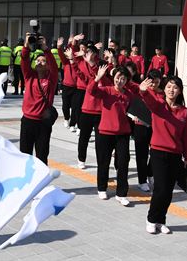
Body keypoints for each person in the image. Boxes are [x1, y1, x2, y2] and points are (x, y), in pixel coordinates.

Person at [138, 75, 187, 235]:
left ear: (180, 91)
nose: (171, 90)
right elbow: (148, 100)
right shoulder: (159, 105)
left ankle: (161, 220)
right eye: (168, 87)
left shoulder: (185, 112)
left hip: (175, 154)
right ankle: (151, 219)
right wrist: (143, 91)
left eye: (175, 87)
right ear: (164, 89)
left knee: (168, 191)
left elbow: (185, 135)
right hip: (158, 152)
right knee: (160, 189)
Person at [89, 65, 135, 206]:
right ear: (113, 77)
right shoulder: (106, 91)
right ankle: (102, 188)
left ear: (126, 80)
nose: (119, 81)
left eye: (123, 79)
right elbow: (91, 91)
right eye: (117, 77)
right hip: (105, 132)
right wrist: (97, 78)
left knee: (123, 163)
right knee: (104, 161)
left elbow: (136, 108)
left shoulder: (129, 94)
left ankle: (121, 193)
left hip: (122, 133)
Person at [19, 33, 59, 164]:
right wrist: (26, 45)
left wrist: (46, 49)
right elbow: (24, 59)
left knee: (42, 156)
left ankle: (41, 182)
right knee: (25, 156)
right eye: (38, 60)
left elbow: (53, 65)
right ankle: (26, 182)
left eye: (43, 61)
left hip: (43, 123)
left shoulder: (51, 78)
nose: (40, 63)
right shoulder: (29, 76)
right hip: (27, 121)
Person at [129, 69, 162, 193]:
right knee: (141, 155)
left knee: (155, 153)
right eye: (151, 82)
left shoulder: (162, 93)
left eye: (157, 82)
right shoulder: (140, 89)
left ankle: (150, 173)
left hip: (156, 128)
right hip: (140, 125)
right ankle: (142, 181)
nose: (153, 85)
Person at [72, 40, 101, 169]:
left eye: (92, 52)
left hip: (100, 110)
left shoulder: (101, 67)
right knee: (84, 136)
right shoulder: (83, 64)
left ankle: (102, 161)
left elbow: (100, 75)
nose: (90, 55)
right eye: (88, 52)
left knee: (100, 140)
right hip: (87, 109)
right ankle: (81, 158)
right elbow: (80, 74)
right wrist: (73, 61)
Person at [57, 36, 77, 131]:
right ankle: (66, 119)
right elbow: (61, 54)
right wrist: (59, 47)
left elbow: (73, 49)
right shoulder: (65, 61)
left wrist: (73, 42)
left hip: (76, 87)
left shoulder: (77, 62)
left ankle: (73, 124)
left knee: (75, 107)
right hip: (66, 86)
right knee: (65, 106)